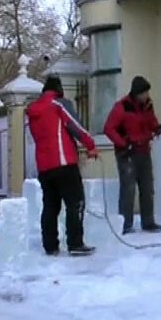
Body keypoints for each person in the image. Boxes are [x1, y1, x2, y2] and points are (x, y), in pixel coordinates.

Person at [27, 75, 99, 256]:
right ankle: (75, 243)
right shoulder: (59, 104)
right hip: (64, 162)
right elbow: (75, 126)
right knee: (75, 202)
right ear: (59, 90)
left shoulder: (34, 111)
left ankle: (50, 245)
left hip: (44, 166)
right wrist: (90, 145)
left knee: (51, 206)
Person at [103, 75, 161, 234]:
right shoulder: (122, 106)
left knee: (147, 187)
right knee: (128, 189)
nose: (146, 96)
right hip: (127, 153)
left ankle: (148, 222)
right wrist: (123, 143)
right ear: (136, 93)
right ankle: (125, 224)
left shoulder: (148, 105)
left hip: (143, 151)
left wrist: (159, 128)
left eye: (147, 92)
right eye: (144, 93)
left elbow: (151, 123)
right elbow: (109, 129)